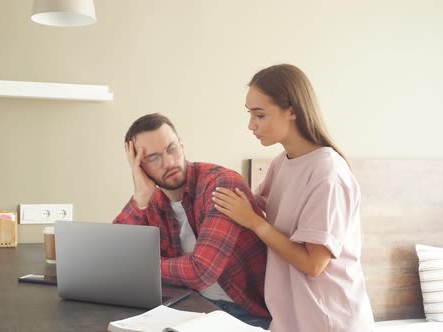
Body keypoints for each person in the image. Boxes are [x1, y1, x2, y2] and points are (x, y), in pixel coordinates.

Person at [212, 64, 374, 332]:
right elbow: (251, 207)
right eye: (250, 114)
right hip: (290, 321)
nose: (251, 125)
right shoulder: (282, 162)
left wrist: (255, 222)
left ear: (292, 111)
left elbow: (313, 264)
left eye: (260, 115)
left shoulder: (328, 173)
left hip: (330, 322)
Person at [114, 113, 271, 329]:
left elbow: (201, 271)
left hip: (244, 313)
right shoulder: (153, 202)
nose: (168, 162)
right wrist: (140, 197)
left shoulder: (220, 184)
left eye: (171, 149)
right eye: (153, 158)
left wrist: (139, 268)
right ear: (139, 166)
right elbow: (115, 256)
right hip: (189, 308)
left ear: (181, 144)